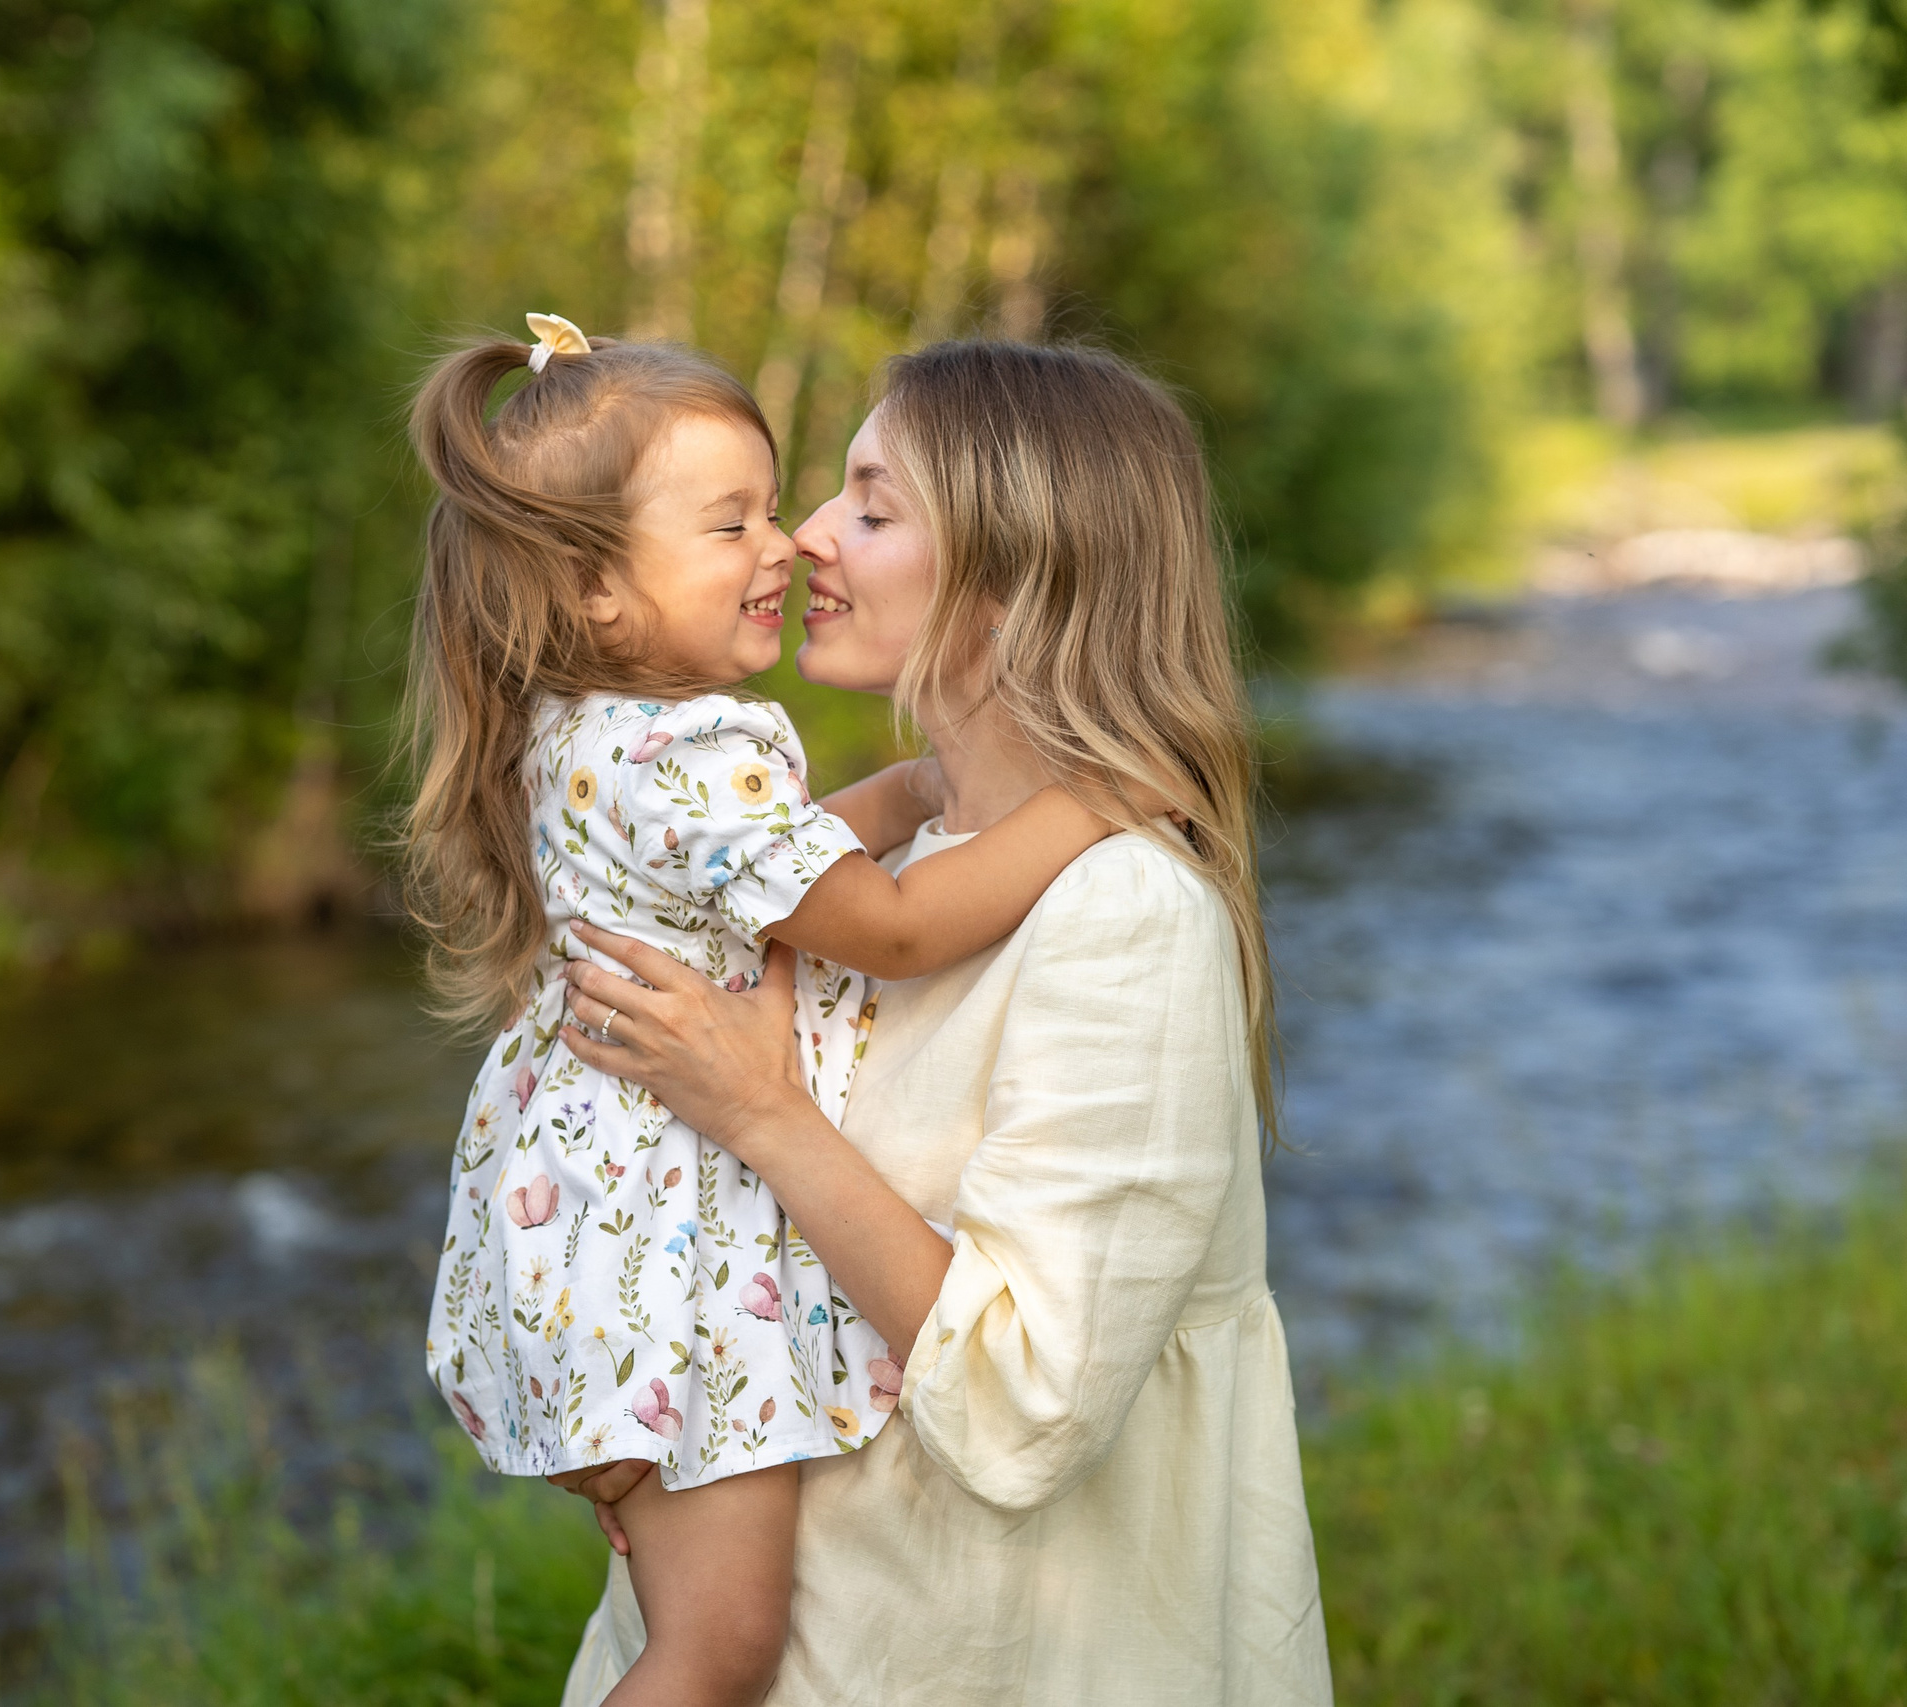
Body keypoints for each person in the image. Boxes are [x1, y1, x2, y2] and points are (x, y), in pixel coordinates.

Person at [551, 340, 1334, 1705]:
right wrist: (632, 1418)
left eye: (870, 507)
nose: (806, 538)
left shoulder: (1126, 911)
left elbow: (1033, 1402)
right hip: (769, 1624)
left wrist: (761, 1114)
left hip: (958, 1655)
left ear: (1016, 583)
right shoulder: (891, 880)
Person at [402, 317, 1116, 1707]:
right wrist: (1090, 804)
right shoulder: (690, 749)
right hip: (661, 1266)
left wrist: (919, 790)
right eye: (731, 523)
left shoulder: (591, 732)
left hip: (598, 1247)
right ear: (595, 588)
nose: (785, 545)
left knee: (699, 1636)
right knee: (716, 1655)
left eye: (774, 508)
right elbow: (890, 928)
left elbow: (766, 868)